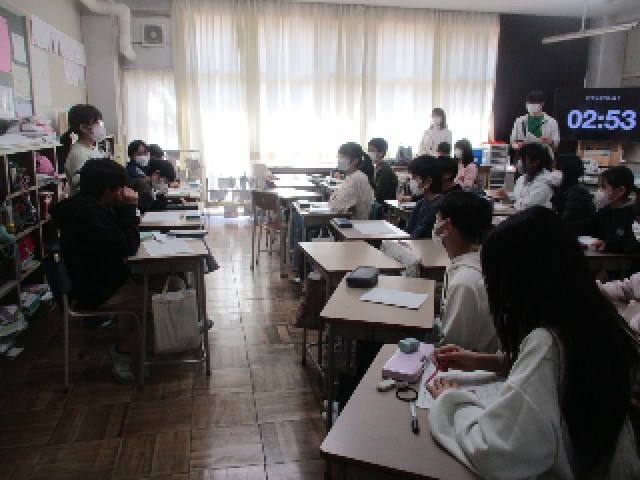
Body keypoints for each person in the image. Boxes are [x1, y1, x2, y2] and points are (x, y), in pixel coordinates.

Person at [427, 207, 640, 479]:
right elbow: (560, 374)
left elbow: (497, 451)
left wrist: (451, 400)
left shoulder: (548, 344)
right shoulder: (593, 316)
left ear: (518, 283)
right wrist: (487, 361)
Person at [51, 159, 142, 383]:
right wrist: (129, 208)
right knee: (161, 302)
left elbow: (117, 239)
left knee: (170, 283)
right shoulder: (89, 214)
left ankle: (137, 344)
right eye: (119, 187)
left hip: (97, 280)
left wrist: (120, 208)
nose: (123, 191)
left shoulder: (85, 206)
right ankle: (122, 351)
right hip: (97, 290)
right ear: (106, 189)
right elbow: (127, 247)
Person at [432, 192, 498, 352]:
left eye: (437, 221)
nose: (435, 227)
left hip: (465, 363)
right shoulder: (480, 258)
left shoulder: (465, 282)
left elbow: (452, 349)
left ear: (447, 226)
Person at [590, 165, 640, 253]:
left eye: (604, 187)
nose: (599, 191)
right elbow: (586, 226)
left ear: (621, 191)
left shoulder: (634, 214)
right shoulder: (604, 211)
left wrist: (609, 245)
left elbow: (634, 243)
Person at [61, 104, 108, 196]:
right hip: (86, 202)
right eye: (96, 123)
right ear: (83, 128)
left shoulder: (94, 147)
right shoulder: (78, 154)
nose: (100, 127)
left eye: (100, 123)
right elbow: (84, 186)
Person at [329, 142, 375, 220]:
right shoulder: (352, 176)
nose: (339, 160)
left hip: (354, 223)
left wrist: (333, 198)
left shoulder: (357, 178)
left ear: (354, 161)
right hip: (346, 220)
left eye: (343, 157)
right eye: (339, 157)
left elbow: (337, 206)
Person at [551, 154, 594, 235]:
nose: (552, 172)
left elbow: (567, 220)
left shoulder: (576, 192)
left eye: (555, 168)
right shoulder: (563, 188)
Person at [511, 142, 561, 211]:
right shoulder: (522, 179)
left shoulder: (545, 184)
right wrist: (507, 197)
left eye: (523, 159)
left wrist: (514, 204)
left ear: (535, 162)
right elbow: (518, 197)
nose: (519, 163)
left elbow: (526, 206)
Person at [405, 155, 443, 238]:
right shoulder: (421, 203)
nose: (412, 181)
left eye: (415, 177)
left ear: (428, 181)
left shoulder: (438, 206)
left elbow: (419, 234)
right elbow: (408, 232)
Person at [367, 137, 398, 203]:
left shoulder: (384, 170)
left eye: (372, 150)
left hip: (383, 205)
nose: (369, 153)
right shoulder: (377, 167)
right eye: (368, 150)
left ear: (381, 153)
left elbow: (380, 194)